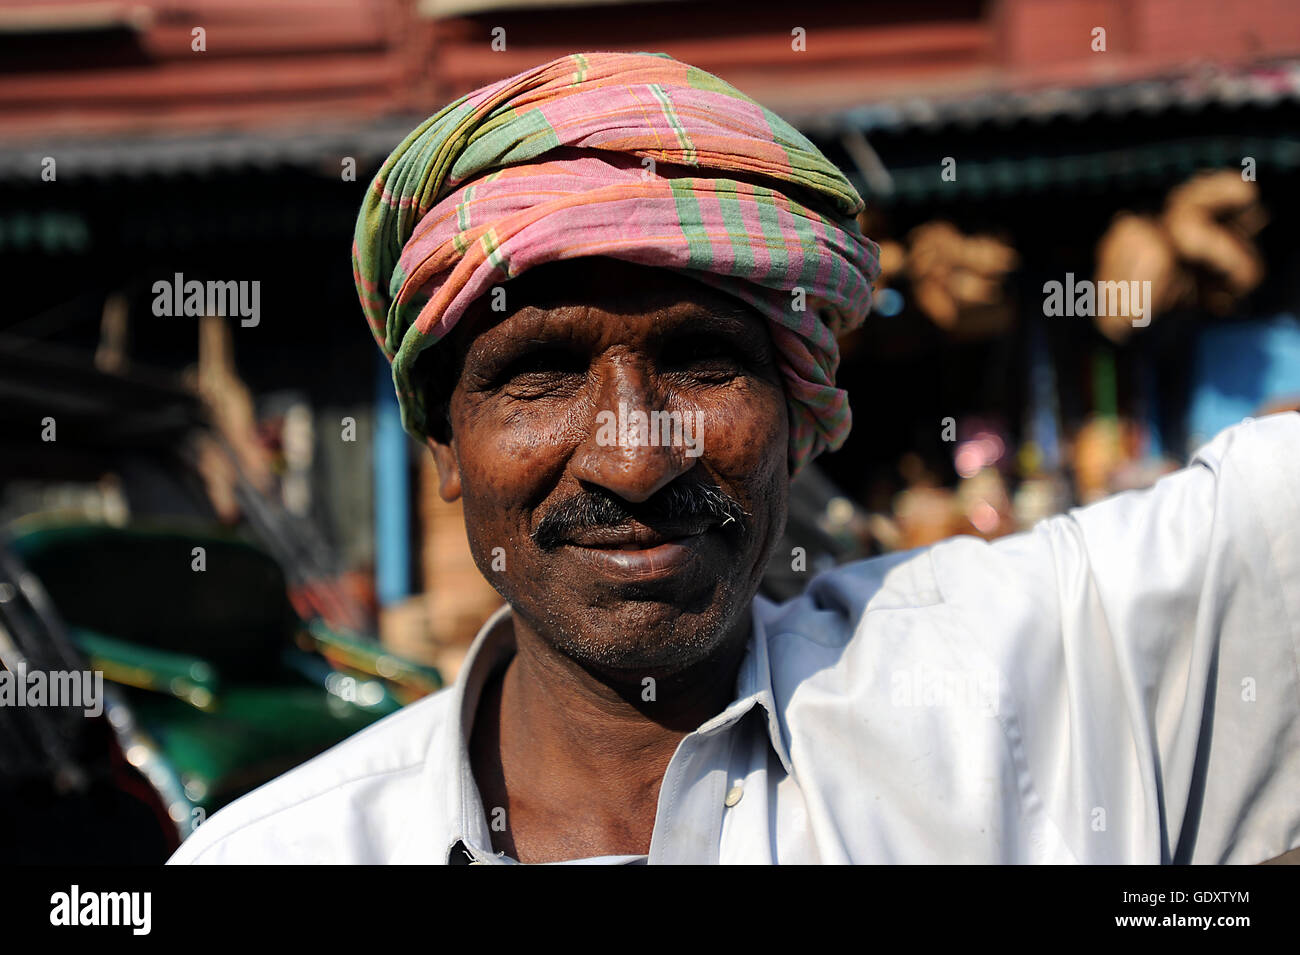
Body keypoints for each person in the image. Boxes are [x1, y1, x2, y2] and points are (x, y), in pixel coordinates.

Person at [169, 52, 1299, 865]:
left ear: (799, 410)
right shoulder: (279, 854)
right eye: (542, 373)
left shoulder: (1024, 687)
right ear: (443, 443)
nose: (632, 457)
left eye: (703, 361)